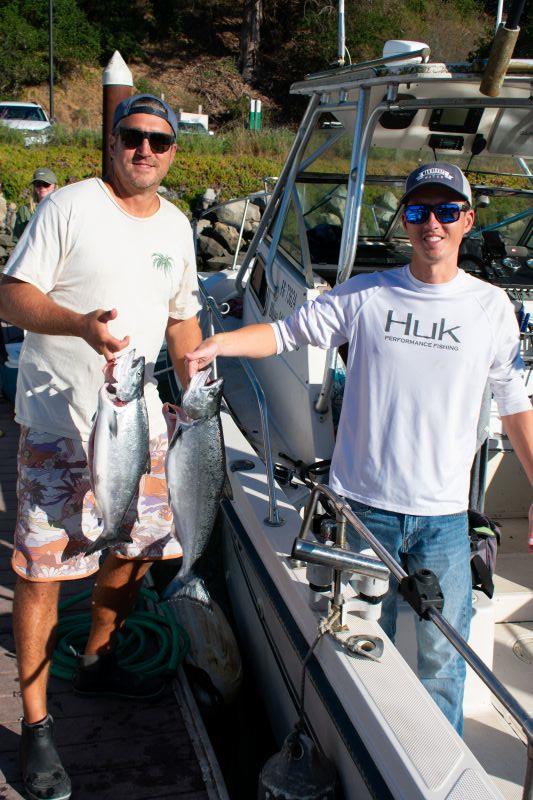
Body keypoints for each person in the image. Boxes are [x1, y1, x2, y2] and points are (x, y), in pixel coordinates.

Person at [185, 162, 533, 735]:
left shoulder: (491, 308)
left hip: (443, 520)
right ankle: (370, 736)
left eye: (447, 211)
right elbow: (285, 332)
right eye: (420, 211)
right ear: (406, 221)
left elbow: (515, 402)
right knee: (362, 643)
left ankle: (432, 762)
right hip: (360, 513)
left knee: (444, 660)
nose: (433, 225)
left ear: (468, 220)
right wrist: (222, 341)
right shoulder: (367, 293)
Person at [0, 94, 202, 800]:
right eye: (133, 137)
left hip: (139, 422)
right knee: (41, 573)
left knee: (131, 552)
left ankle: (96, 656)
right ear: (111, 142)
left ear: (175, 151)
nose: (145, 150)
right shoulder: (70, 207)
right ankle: (37, 727)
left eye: (159, 141)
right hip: (59, 429)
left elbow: (182, 319)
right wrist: (79, 325)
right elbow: (11, 296)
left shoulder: (177, 226)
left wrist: (198, 379)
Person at [12, 167, 58, 242]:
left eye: (46, 184)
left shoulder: (62, 208)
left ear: (54, 186)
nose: (42, 187)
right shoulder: (25, 210)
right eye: (38, 184)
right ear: (34, 187)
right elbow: (18, 240)